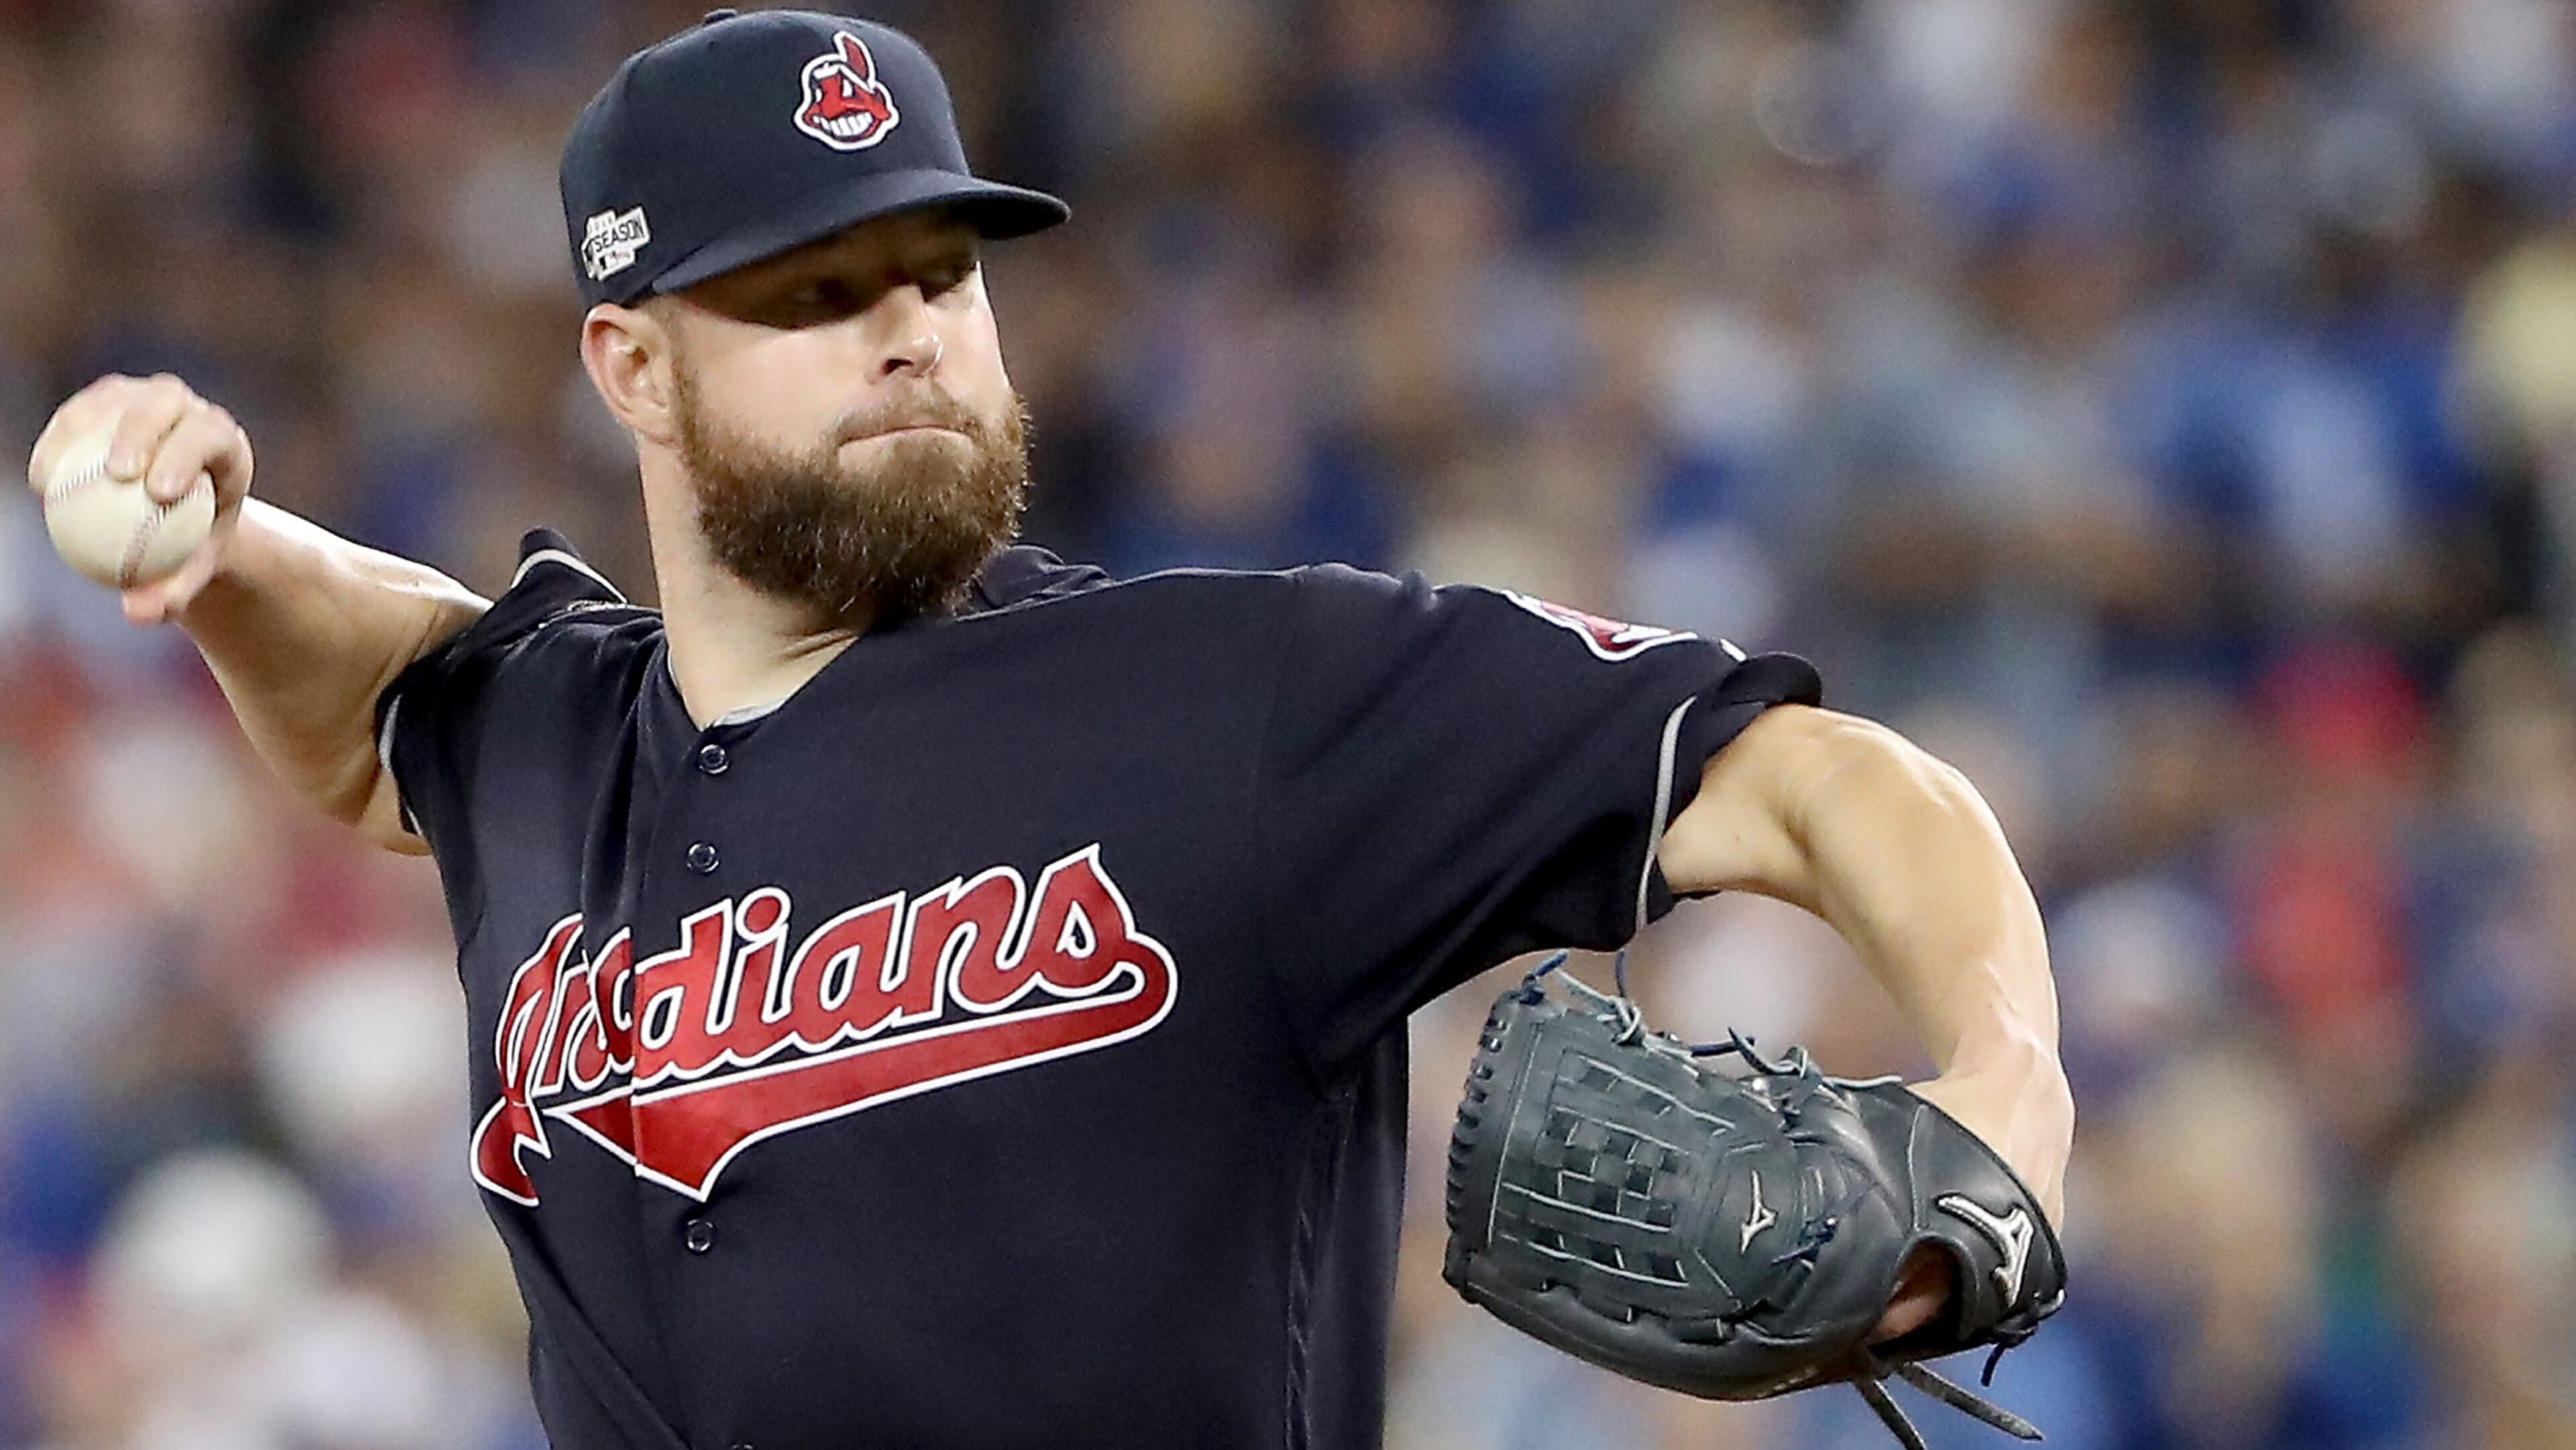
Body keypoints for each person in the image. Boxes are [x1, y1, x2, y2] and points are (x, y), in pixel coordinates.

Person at [28, 11, 2072, 1449]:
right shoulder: (548, 736)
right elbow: (393, 695)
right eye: (817, 290)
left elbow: (1814, 778)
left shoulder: (1238, 696)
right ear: (629, 367)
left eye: (942, 268)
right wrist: (224, 553)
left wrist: (2008, 1086)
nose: (913, 326)